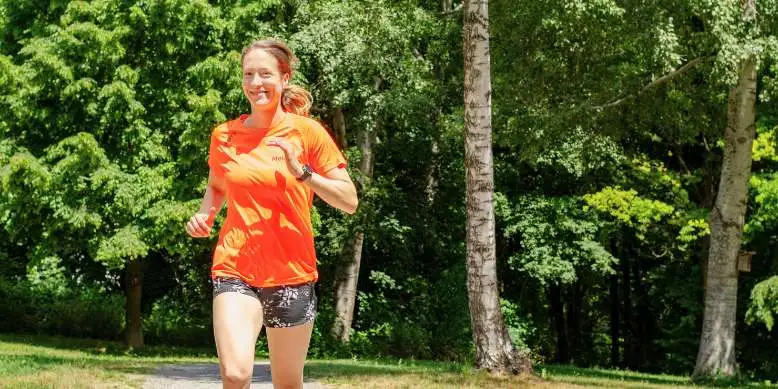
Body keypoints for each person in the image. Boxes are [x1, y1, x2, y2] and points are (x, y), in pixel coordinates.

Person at [185, 38, 358, 389]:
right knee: (235, 374)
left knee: (287, 382)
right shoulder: (224, 136)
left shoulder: (307, 132)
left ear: (284, 78)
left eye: (265, 74)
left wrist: (303, 173)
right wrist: (205, 216)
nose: (255, 83)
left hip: (292, 272)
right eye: (248, 74)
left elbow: (349, 200)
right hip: (236, 268)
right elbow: (217, 185)